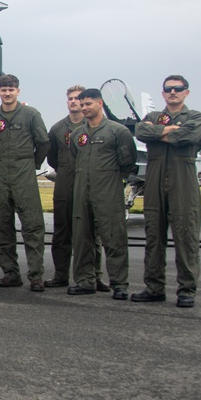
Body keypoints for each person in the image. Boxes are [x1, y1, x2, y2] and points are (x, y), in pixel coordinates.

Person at [131, 75, 201, 308]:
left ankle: (187, 290)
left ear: (186, 92)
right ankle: (154, 288)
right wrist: (168, 130)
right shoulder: (153, 117)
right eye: (168, 89)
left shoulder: (196, 117)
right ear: (163, 93)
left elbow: (190, 135)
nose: (172, 92)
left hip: (183, 179)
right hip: (154, 179)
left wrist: (161, 133)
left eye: (178, 89)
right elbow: (141, 132)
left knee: (186, 237)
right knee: (154, 236)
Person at [67, 89, 137, 300]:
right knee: (82, 238)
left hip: (107, 190)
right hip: (82, 190)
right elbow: (74, 160)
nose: (84, 107)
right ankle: (85, 281)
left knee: (113, 237)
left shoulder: (118, 131)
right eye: (82, 104)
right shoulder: (78, 134)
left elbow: (128, 162)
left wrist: (109, 179)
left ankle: (120, 284)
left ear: (100, 103)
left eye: (89, 103)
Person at [0, 74, 49, 291]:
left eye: (11, 89)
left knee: (32, 226)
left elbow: (43, 142)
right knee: (2, 226)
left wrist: (33, 165)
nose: (7, 93)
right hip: (2, 175)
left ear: (18, 91)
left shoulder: (31, 114)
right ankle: (10, 274)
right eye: (3, 89)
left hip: (25, 174)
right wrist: (0, 164)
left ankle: (36, 276)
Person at [45, 85, 108, 291]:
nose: (74, 102)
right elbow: (52, 157)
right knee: (61, 232)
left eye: (78, 99)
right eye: (71, 98)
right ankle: (60, 275)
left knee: (91, 233)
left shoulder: (95, 127)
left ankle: (95, 276)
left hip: (89, 183)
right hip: (64, 182)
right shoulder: (57, 129)